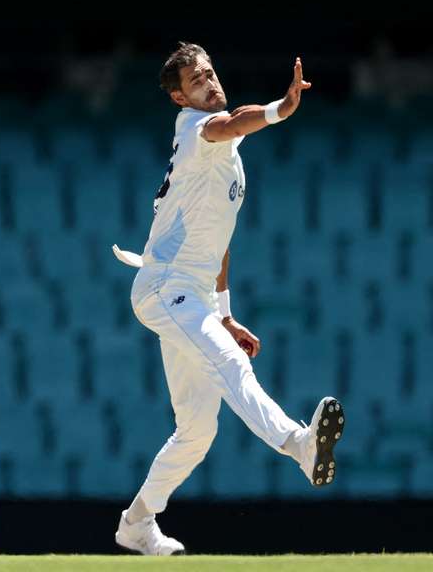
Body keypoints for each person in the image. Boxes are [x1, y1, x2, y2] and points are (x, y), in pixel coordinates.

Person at [111, 42, 345, 556]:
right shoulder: (197, 132)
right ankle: (299, 445)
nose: (210, 83)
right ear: (180, 98)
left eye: (211, 73)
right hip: (163, 286)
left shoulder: (230, 164)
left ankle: (137, 522)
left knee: (196, 431)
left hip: (188, 294)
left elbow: (218, 245)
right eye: (197, 81)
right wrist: (281, 109)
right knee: (229, 366)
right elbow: (232, 122)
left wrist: (225, 314)